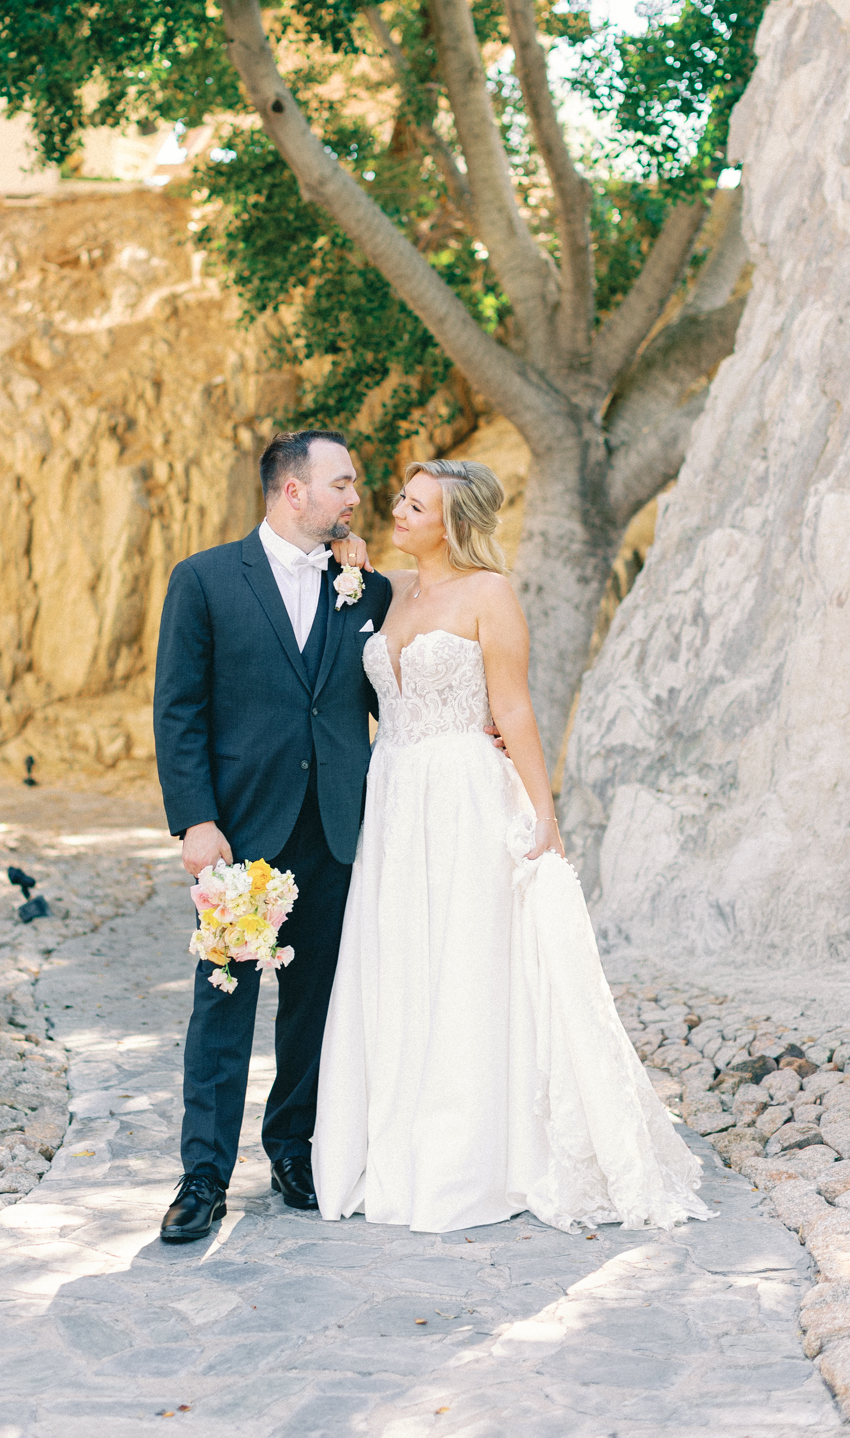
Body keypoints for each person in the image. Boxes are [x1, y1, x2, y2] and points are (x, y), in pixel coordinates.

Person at [312, 457, 713, 1234]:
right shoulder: (390, 591)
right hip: (393, 797)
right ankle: (390, 1144)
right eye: (399, 497)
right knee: (398, 959)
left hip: (462, 792)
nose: (397, 508)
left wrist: (543, 811)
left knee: (464, 961)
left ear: (453, 522)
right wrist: (355, 562)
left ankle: (468, 1158)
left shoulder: (490, 595)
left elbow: (514, 707)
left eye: (414, 503)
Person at [152, 429, 392, 1242]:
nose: (354, 496)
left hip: (335, 832)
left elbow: (391, 702)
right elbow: (178, 709)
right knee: (223, 1007)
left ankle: (293, 1146)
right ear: (294, 492)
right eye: (342, 483)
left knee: (316, 1007)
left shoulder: (367, 589)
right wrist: (194, 819)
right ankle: (203, 1176)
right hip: (238, 838)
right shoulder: (206, 580)